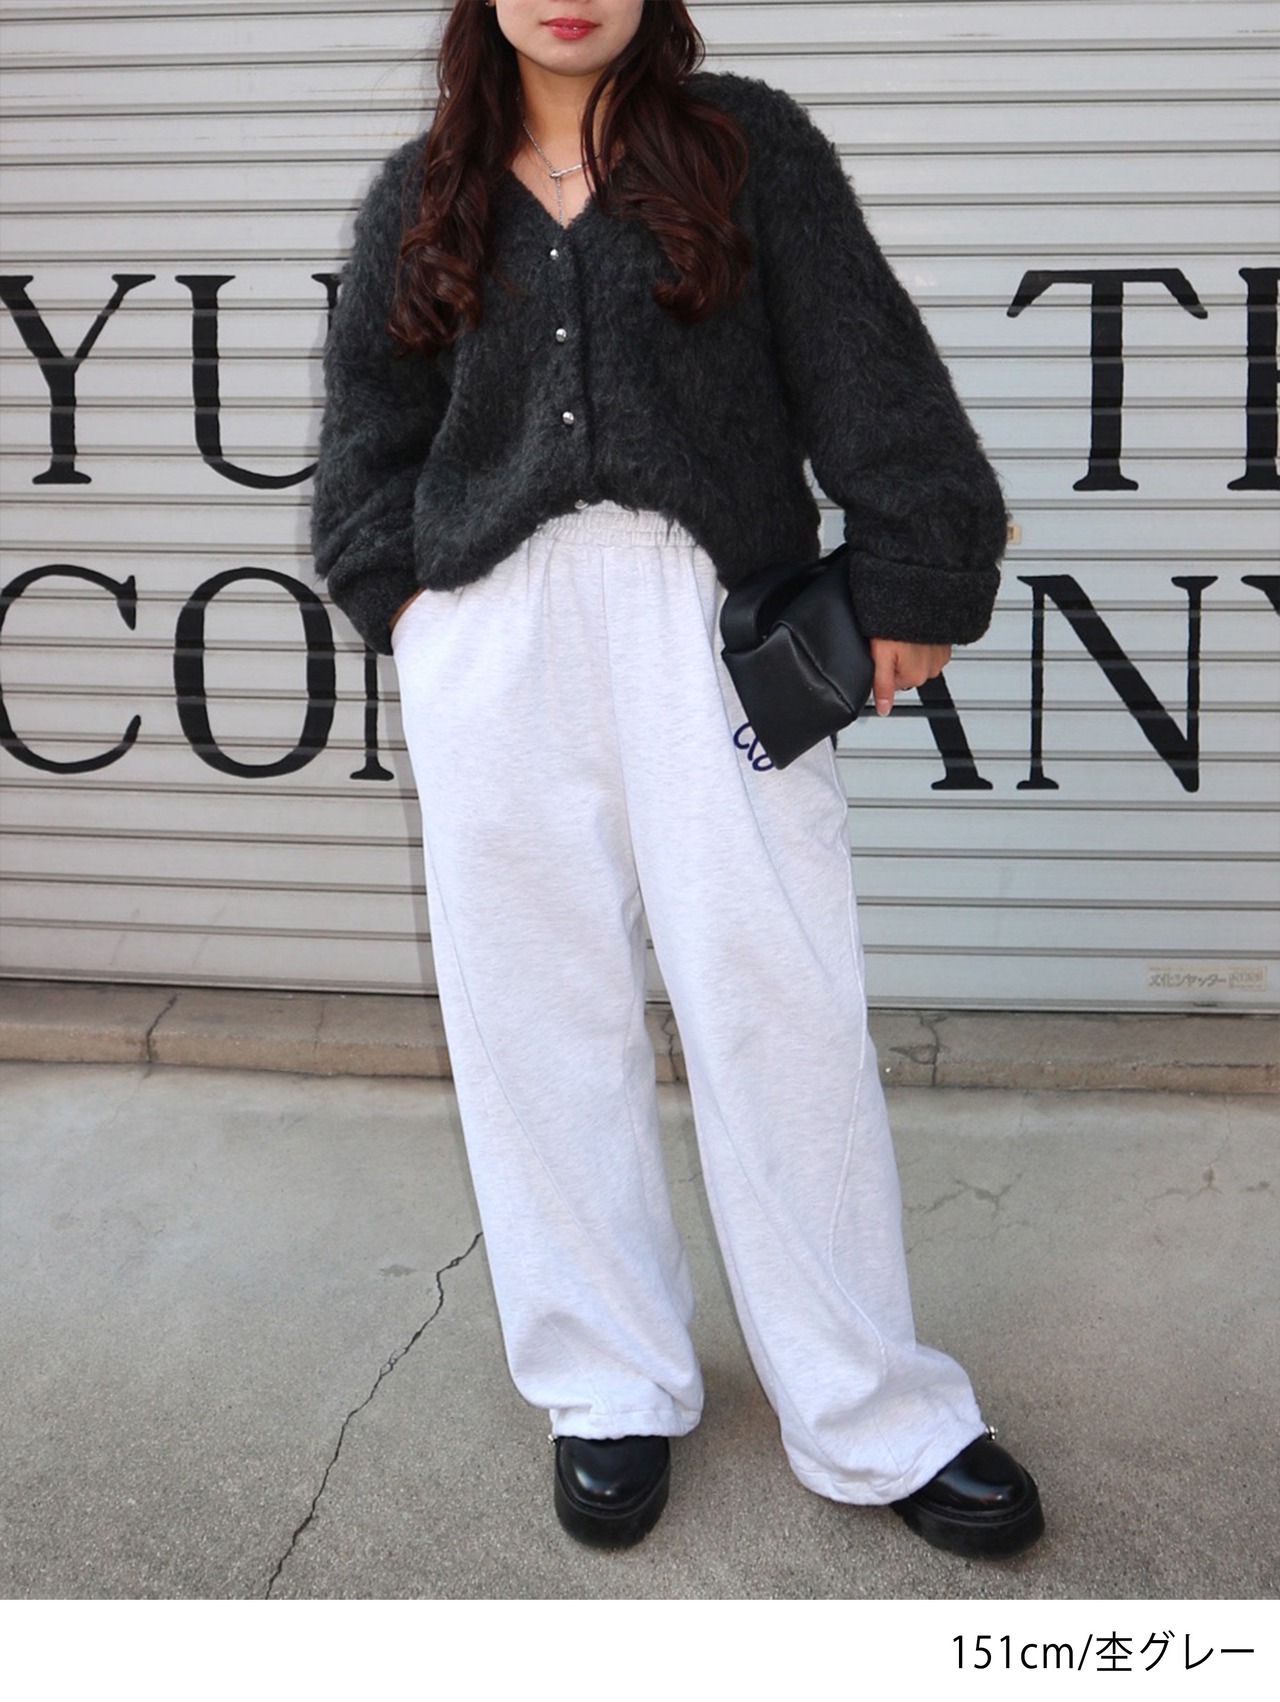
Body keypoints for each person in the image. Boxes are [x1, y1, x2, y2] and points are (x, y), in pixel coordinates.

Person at [311, 0, 1044, 1560]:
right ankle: (608, 1381)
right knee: (535, 1019)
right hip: (494, 635)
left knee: (781, 1004)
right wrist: (415, 616)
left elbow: (870, 373)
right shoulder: (421, 195)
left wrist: (919, 567)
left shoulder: (746, 148)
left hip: (709, 620)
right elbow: (370, 444)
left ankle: (872, 1407)